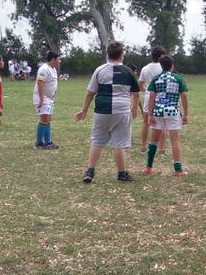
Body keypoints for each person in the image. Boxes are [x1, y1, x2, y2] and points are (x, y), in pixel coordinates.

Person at [75, 41, 141, 183]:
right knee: (119, 143)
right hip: (122, 111)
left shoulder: (99, 70)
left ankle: (90, 171)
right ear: (121, 55)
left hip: (101, 110)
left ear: (108, 54)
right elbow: (136, 94)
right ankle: (122, 174)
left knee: (97, 140)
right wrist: (134, 108)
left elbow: (90, 92)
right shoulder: (128, 71)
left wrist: (84, 110)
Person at [143, 54, 189, 177]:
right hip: (172, 111)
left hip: (158, 111)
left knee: (154, 140)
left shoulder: (156, 78)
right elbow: (184, 96)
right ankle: (178, 170)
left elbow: (152, 97)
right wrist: (185, 114)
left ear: (161, 65)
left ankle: (148, 167)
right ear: (172, 65)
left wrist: (150, 114)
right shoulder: (178, 78)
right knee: (175, 140)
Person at [138, 46, 166, 152]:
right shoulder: (164, 68)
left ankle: (143, 146)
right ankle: (161, 148)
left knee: (146, 122)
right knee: (162, 123)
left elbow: (140, 84)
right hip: (162, 97)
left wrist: (147, 92)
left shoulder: (145, 68)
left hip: (148, 96)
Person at [33, 51, 61, 150]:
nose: (59, 61)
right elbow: (40, 83)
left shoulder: (53, 69)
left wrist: (53, 97)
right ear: (53, 59)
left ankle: (48, 142)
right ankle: (39, 143)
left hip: (49, 98)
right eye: (58, 59)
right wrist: (41, 99)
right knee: (44, 119)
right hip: (43, 98)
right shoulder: (44, 69)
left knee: (48, 120)